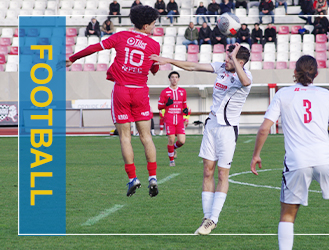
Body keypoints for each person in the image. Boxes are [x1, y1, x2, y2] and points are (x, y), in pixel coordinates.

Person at [250, 55, 329, 250]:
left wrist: (256, 155)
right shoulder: (325, 94)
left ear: (294, 72)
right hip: (325, 157)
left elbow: (264, 129)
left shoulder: (283, 94)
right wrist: (325, 145)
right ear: (316, 74)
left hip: (297, 160)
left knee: (288, 214)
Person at [150, 43, 252, 235]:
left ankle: (214, 218)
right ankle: (207, 218)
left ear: (240, 62)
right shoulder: (221, 68)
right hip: (211, 126)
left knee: (223, 174)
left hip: (228, 130)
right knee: (207, 171)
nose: (225, 61)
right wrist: (168, 60)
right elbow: (192, 66)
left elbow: (246, 82)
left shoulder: (245, 76)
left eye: (229, 58)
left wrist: (235, 59)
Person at [66, 5, 161, 198]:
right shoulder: (154, 45)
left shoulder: (121, 37)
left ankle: (133, 178)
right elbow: (154, 70)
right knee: (146, 137)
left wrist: (73, 58)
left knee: (125, 137)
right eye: (152, 24)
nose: (154, 28)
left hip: (121, 91)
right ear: (145, 25)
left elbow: (94, 47)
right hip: (140, 91)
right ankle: (153, 177)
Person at [158, 71, 188, 166]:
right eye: (172, 77)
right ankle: (171, 161)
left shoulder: (182, 91)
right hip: (169, 118)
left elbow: (184, 105)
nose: (174, 79)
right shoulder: (164, 92)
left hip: (179, 119)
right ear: (169, 79)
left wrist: (186, 113)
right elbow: (159, 106)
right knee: (171, 139)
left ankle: (174, 148)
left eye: (176, 77)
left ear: (178, 79)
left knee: (182, 141)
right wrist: (166, 104)